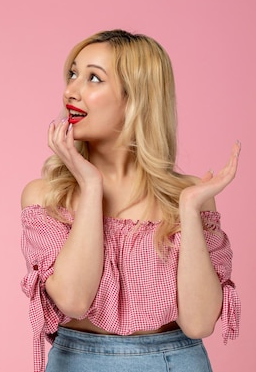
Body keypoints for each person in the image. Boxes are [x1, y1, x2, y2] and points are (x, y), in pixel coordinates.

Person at [20, 29, 240, 372]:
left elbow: (198, 324)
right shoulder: (47, 197)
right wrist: (91, 187)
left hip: (177, 361)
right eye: (73, 74)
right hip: (77, 361)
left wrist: (188, 209)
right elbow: (75, 301)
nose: (70, 91)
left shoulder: (189, 196)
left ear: (135, 98)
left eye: (94, 78)